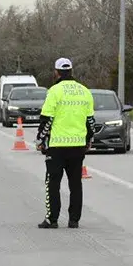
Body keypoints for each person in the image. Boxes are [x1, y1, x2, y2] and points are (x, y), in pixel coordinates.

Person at [35, 58, 96, 229]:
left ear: (56, 72)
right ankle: (74, 220)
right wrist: (89, 139)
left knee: (53, 183)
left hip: (57, 146)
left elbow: (47, 119)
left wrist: (40, 139)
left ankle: (52, 219)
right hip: (77, 146)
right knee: (75, 183)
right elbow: (90, 121)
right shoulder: (84, 91)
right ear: (71, 71)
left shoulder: (54, 91)